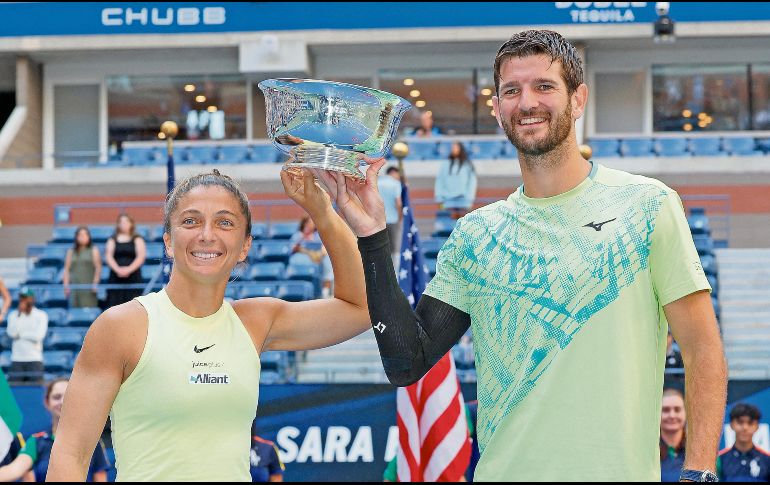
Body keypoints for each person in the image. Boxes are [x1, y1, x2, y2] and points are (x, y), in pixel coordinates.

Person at [338, 29, 727, 481]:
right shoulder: (476, 236)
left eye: (544, 86)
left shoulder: (648, 205)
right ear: (499, 108)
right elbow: (407, 362)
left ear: (578, 99)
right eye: (511, 90)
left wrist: (699, 472)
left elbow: (703, 350)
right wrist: (371, 236)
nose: (526, 103)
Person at [46, 168, 373, 481]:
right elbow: (71, 453)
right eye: (190, 221)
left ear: (245, 246)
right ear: (168, 242)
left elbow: (359, 308)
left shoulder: (255, 322)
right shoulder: (122, 326)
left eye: (224, 223)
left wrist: (323, 211)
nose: (206, 235)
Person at [0, 378, 110, 482]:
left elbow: (100, 478)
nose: (63, 401)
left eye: (69, 396)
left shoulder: (91, 443)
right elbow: (13, 471)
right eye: (57, 397)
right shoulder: (36, 441)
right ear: (47, 402)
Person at [718, 403, 770, 481]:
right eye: (740, 422)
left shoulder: (767, 459)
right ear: (731, 425)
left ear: (757, 426)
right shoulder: (719, 459)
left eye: (750, 423)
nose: (745, 427)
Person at [104, 214, 146, 309]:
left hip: (133, 277)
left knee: (134, 307)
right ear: (118, 224)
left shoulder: (138, 239)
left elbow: (141, 257)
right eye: (121, 222)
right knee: (115, 307)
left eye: (126, 221)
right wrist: (118, 270)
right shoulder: (112, 239)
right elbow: (108, 256)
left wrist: (128, 270)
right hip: (116, 277)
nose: (124, 224)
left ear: (131, 224)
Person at [6, 288, 47, 384]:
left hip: (34, 359)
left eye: (26, 298)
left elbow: (39, 336)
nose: (24, 301)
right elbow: (12, 333)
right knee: (13, 391)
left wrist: (21, 334)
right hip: (17, 359)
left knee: (36, 390)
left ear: (32, 299)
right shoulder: (13, 315)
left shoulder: (41, 315)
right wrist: (20, 315)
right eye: (22, 298)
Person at [289, 216, 333, 298]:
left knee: (328, 259)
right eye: (308, 223)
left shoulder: (318, 235)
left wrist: (319, 254)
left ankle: (325, 291)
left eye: (312, 223)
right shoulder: (298, 235)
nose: (310, 225)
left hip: (318, 257)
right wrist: (303, 237)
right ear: (304, 224)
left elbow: (324, 247)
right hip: (304, 257)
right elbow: (293, 249)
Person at [434, 142, 477, 219]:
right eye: (452, 148)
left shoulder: (467, 164)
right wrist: (439, 197)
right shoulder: (445, 164)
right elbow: (440, 181)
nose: (453, 149)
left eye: (456, 147)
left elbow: (472, 183)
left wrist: (470, 198)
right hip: (448, 200)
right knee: (450, 225)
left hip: (463, 199)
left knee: (463, 224)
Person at [63, 227, 102, 308]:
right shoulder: (71, 251)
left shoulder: (94, 250)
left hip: (89, 287)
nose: (82, 237)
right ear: (76, 237)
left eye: (85, 235)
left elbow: (98, 268)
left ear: (89, 236)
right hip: (74, 287)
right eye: (80, 235)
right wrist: (66, 286)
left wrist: (95, 283)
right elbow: (66, 269)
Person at [378, 166, 403, 269]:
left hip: (379, 221)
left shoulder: (377, 183)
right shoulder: (396, 184)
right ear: (393, 173)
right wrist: (400, 217)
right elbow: (398, 203)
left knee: (381, 247)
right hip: (393, 220)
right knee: (395, 248)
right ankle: (395, 273)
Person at [660, 388, 687, 482]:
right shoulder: (645, 452)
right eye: (665, 410)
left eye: (677, 410)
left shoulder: (698, 451)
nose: (672, 415)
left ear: (686, 412)